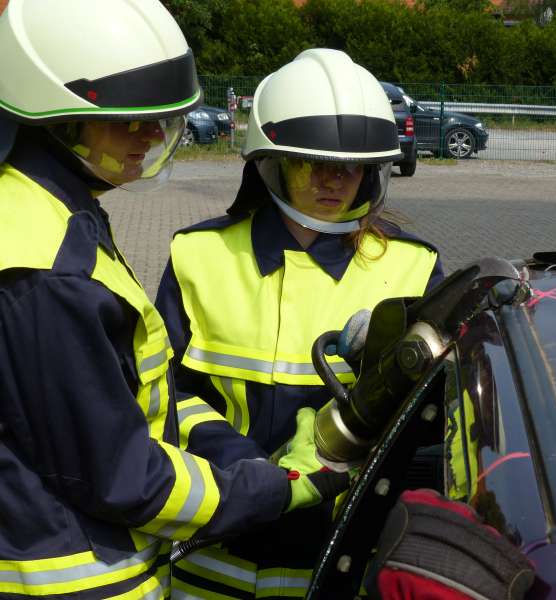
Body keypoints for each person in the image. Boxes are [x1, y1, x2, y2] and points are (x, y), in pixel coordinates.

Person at [0, 2, 349, 598]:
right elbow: (123, 476)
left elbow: (137, 402)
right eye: (128, 120)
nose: (151, 137)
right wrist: (276, 486)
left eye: (161, 120)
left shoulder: (48, 212)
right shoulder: (49, 269)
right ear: (56, 117)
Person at [155, 48, 445, 598]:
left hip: (341, 559)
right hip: (214, 554)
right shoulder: (199, 254)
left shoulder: (414, 268)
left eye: (351, 166)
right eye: (312, 163)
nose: (334, 181)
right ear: (272, 163)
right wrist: (228, 452)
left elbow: (432, 419)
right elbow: (162, 386)